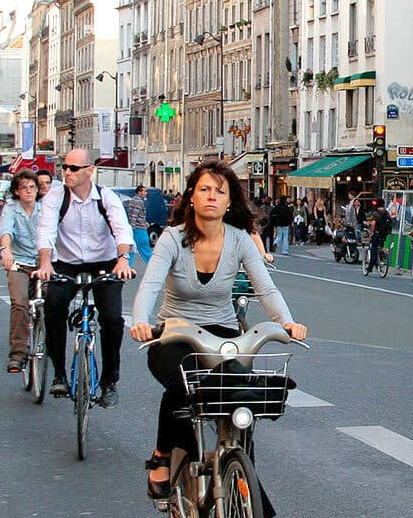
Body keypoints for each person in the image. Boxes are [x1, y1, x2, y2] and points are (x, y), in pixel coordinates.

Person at [130, 162, 307, 498]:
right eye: (204, 190)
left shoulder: (240, 239)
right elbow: (151, 284)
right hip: (176, 333)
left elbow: (266, 288)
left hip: (223, 333)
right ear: (192, 198)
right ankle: (163, 454)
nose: (212, 197)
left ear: (229, 202)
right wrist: (141, 321)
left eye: (220, 191)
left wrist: (287, 322)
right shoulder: (172, 238)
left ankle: (242, 484)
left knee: (242, 396)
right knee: (184, 385)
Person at [35, 149, 135, 407]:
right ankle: (59, 372)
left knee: (112, 318)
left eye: (73, 168)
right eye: (64, 167)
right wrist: (46, 263)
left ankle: (110, 381)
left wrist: (123, 260)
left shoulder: (106, 197)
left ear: (90, 170)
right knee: (53, 306)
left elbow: (122, 230)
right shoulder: (55, 197)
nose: (66, 172)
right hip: (65, 264)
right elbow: (46, 231)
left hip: (105, 263)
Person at [0, 170, 42, 373]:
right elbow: (6, 231)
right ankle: (18, 354)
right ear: (17, 191)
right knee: (19, 303)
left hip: (44, 262)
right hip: (20, 261)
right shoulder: (11, 208)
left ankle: (50, 343)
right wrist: (6, 250)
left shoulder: (46, 208)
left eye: (32, 187)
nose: (29, 191)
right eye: (24, 187)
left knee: (55, 301)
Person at [125, 184, 153, 264]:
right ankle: (154, 266)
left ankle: (127, 266)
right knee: (146, 249)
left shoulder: (132, 200)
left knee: (131, 250)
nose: (146, 193)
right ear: (139, 192)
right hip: (139, 230)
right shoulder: (139, 202)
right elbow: (134, 215)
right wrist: (134, 228)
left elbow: (133, 215)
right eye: (145, 191)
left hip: (135, 228)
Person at [364, 198, 392, 274]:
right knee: (381, 245)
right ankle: (382, 259)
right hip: (385, 234)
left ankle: (370, 267)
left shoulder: (376, 213)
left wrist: (371, 233)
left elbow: (373, 224)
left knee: (374, 248)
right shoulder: (387, 213)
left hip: (377, 233)